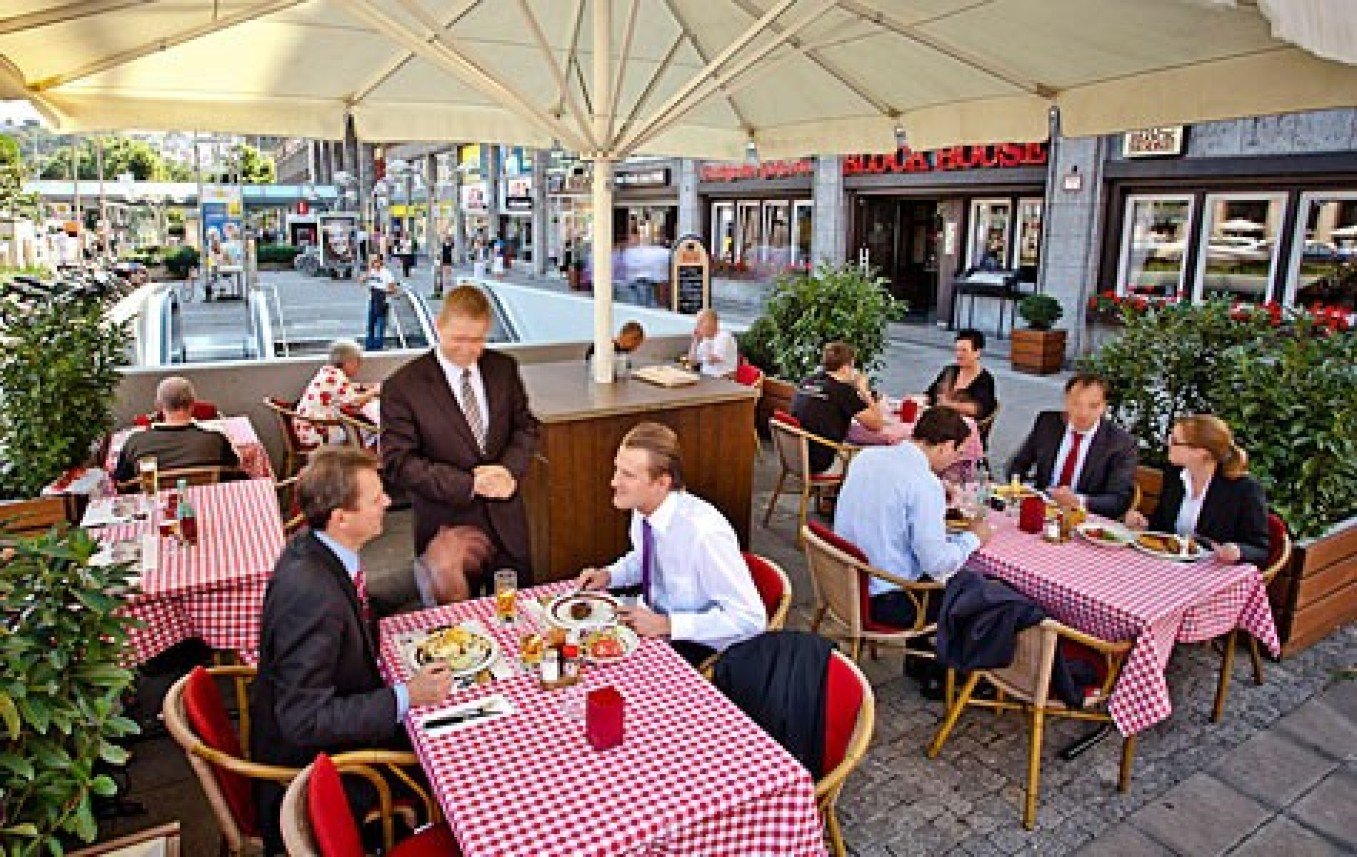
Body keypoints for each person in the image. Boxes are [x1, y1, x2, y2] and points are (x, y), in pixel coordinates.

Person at [250, 447, 453, 850]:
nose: (388, 503)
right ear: (341, 517)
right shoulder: (313, 595)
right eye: (376, 498)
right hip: (321, 772)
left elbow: (359, 606)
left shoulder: (314, 550)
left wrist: (426, 570)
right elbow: (304, 720)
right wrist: (405, 695)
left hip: (332, 734)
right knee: (457, 755)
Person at [381, 284, 539, 582]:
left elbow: (525, 427)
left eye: (478, 340)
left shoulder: (504, 368)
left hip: (508, 526)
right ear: (438, 326)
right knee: (452, 626)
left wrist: (509, 471)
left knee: (517, 618)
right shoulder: (403, 386)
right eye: (459, 339)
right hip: (446, 533)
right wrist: (469, 484)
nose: (468, 350)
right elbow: (398, 463)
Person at [576, 423, 766, 664]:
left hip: (700, 651)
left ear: (662, 483)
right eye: (617, 469)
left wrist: (668, 625)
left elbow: (750, 620)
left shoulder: (704, 535)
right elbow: (646, 559)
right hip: (652, 624)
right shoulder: (644, 508)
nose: (614, 482)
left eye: (628, 475)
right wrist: (609, 575)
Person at [835, 406, 994, 630]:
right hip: (885, 599)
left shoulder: (866, 456)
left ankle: (921, 659)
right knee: (980, 597)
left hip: (842, 582)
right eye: (957, 454)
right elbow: (937, 564)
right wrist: (974, 538)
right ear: (946, 446)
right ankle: (933, 662)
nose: (954, 462)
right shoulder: (923, 484)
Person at [1125, 415, 1270, 565]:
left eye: (1175, 441)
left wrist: (1237, 551)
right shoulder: (1175, 475)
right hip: (1170, 564)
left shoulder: (1244, 489)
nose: (1167, 444)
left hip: (1212, 572)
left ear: (1202, 453)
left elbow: (1260, 548)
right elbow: (1162, 524)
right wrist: (1143, 524)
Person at [1006, 372, 1138, 518]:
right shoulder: (1048, 423)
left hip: (1083, 519)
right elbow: (1016, 465)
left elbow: (1119, 500)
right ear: (1066, 401)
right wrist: (1027, 491)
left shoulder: (1120, 443)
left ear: (1104, 407)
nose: (1083, 413)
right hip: (1041, 509)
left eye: (1093, 406)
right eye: (1076, 403)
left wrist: (1078, 501)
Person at [112, 377, 239, 483]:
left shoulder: (135, 442)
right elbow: (233, 468)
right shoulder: (215, 439)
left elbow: (121, 481)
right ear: (193, 403)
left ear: (159, 406)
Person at [790, 341, 885, 474]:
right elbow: (877, 425)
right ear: (846, 367)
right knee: (865, 457)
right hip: (819, 461)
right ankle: (839, 493)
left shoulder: (807, 381)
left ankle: (826, 493)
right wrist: (864, 391)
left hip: (795, 455)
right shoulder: (843, 391)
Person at [295, 340, 381, 447]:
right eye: (358, 362)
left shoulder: (328, 371)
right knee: (373, 430)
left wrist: (363, 387)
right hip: (319, 432)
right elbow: (354, 403)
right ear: (348, 362)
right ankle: (361, 459)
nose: (360, 366)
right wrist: (374, 391)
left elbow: (342, 389)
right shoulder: (338, 376)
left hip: (307, 428)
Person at [925, 329, 997, 423]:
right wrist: (918, 399)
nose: (958, 354)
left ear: (977, 352)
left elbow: (978, 409)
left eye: (964, 350)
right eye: (957, 350)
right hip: (937, 420)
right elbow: (930, 394)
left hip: (963, 428)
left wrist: (948, 404)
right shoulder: (950, 370)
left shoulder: (985, 379)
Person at [686, 309, 738, 378]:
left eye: (701, 322)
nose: (698, 326)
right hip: (707, 377)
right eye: (698, 323)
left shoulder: (724, 336)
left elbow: (712, 360)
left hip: (723, 378)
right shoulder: (706, 338)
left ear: (714, 323)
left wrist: (701, 357)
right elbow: (692, 362)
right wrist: (695, 341)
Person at [363, 255, 397, 351]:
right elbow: (361, 281)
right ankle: (369, 345)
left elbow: (393, 289)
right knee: (370, 324)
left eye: (376, 261)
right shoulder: (372, 272)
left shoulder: (387, 273)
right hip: (373, 299)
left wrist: (383, 292)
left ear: (381, 262)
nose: (375, 264)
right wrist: (368, 273)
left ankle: (378, 345)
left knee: (380, 325)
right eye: (373, 262)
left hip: (382, 301)